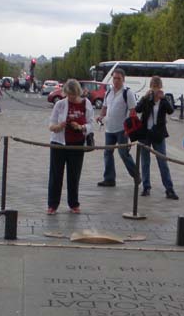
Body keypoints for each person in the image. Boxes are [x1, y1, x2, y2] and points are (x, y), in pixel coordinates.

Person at [47, 79, 93, 215]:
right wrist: (58, 127)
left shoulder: (86, 104)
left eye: (73, 95)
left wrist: (81, 127)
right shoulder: (60, 104)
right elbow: (51, 124)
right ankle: (52, 205)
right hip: (59, 143)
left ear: (78, 92)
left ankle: (73, 203)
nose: (71, 98)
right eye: (68, 95)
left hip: (77, 144)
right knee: (56, 175)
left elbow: (91, 124)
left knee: (74, 175)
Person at [135, 76, 178, 199]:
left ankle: (169, 189)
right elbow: (138, 109)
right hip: (145, 133)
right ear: (150, 87)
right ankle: (146, 187)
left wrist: (164, 99)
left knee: (162, 162)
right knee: (145, 162)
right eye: (153, 87)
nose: (155, 89)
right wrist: (144, 97)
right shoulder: (147, 99)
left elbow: (170, 111)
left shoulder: (164, 100)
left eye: (157, 87)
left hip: (158, 134)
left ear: (161, 87)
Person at [96, 67, 139, 187]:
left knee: (123, 154)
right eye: (114, 78)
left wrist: (128, 129)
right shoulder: (108, 92)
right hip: (109, 128)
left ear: (123, 79)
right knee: (107, 153)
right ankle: (109, 179)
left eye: (118, 78)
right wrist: (100, 116)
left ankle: (136, 175)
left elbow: (132, 112)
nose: (116, 81)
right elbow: (105, 107)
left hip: (121, 129)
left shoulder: (127, 93)